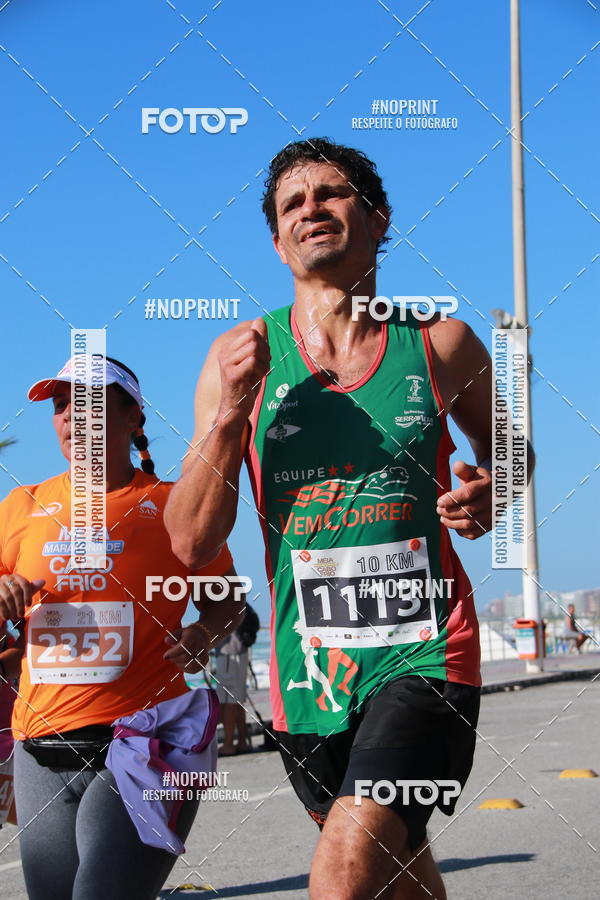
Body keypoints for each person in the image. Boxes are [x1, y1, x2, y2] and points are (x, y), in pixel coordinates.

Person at [165, 138, 535, 899]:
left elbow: (511, 453)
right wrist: (231, 412)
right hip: (308, 670)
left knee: (344, 866)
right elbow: (191, 540)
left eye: (330, 194)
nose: (311, 210)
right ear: (278, 242)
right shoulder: (239, 355)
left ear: (377, 218)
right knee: (397, 868)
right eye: (292, 204)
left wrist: (490, 491)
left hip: (426, 649)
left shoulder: (439, 342)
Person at [0, 355, 242, 900]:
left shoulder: (173, 506)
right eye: (60, 405)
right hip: (40, 748)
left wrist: (203, 634)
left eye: (87, 402)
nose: (70, 415)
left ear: (133, 417)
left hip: (145, 742)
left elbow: (227, 600)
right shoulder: (20, 506)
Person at [212, 630, 250, 756]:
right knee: (237, 701)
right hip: (239, 650)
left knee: (229, 701)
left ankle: (228, 745)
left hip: (228, 652)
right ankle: (242, 742)